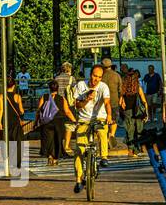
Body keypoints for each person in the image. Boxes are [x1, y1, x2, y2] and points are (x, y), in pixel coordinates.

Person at [69, 65, 111, 194]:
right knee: (79, 150)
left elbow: (107, 102)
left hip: (99, 117)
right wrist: (87, 99)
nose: (96, 79)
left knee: (103, 132)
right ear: (90, 74)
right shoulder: (81, 85)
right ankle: (78, 180)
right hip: (84, 120)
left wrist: (109, 115)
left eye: (99, 77)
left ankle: (104, 157)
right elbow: (77, 105)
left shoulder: (103, 87)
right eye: (94, 76)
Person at [36, 80, 66, 167]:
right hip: (58, 121)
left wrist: (36, 121)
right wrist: (74, 120)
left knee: (48, 140)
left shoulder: (44, 97)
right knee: (57, 139)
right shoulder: (61, 98)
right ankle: (56, 159)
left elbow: (39, 110)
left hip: (46, 122)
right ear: (58, 88)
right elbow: (67, 111)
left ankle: (49, 156)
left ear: (49, 88)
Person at [121, 68, 149, 156]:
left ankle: (130, 149)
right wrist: (146, 113)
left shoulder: (123, 89)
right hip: (138, 112)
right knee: (139, 130)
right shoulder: (138, 88)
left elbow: (120, 103)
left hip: (128, 111)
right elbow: (144, 101)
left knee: (130, 131)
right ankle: (138, 147)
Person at [100, 58, 121, 142]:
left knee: (104, 119)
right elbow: (120, 89)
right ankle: (112, 134)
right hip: (114, 101)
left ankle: (105, 136)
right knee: (114, 119)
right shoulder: (116, 75)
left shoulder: (100, 76)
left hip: (103, 102)